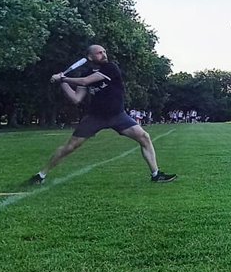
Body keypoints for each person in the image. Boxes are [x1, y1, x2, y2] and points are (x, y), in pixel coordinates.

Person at [29, 45, 176, 184]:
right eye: (99, 52)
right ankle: (41, 175)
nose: (104, 54)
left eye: (104, 51)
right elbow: (76, 98)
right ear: (90, 57)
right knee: (70, 147)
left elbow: (86, 81)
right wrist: (62, 83)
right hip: (95, 117)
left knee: (144, 137)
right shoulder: (86, 74)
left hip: (118, 116)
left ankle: (156, 174)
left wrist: (63, 78)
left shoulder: (111, 68)